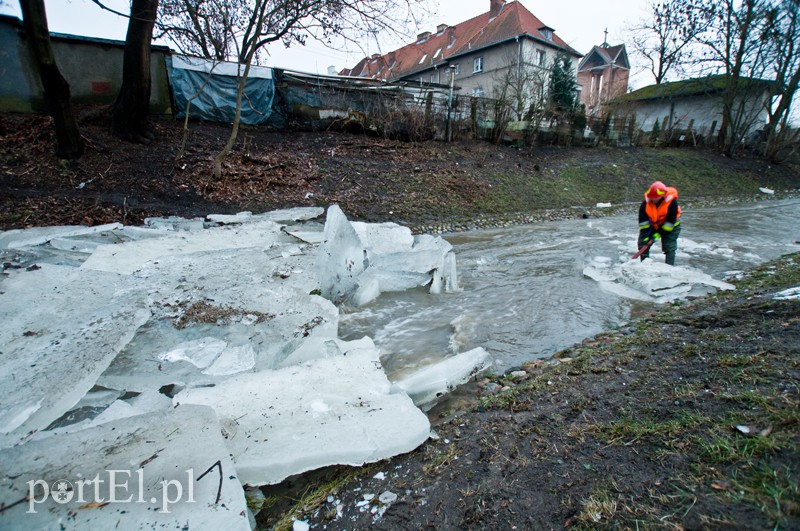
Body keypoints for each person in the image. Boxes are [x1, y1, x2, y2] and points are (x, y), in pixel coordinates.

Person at [637, 180, 681, 265]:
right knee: (643, 244)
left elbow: (670, 221)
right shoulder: (646, 203)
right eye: (652, 197)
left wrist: (660, 233)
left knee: (669, 247)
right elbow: (643, 221)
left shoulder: (672, 202)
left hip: (671, 226)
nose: (653, 199)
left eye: (656, 197)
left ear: (662, 195)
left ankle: (669, 267)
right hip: (653, 225)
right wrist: (645, 235)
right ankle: (644, 265)